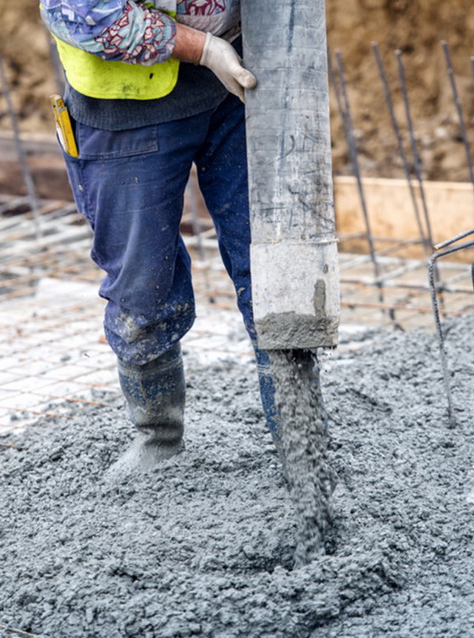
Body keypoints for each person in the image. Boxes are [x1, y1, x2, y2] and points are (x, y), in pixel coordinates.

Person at [40, 0, 279, 473]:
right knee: (142, 285)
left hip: (241, 82)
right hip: (125, 110)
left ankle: (299, 430)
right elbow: (85, 12)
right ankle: (159, 436)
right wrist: (203, 48)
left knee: (275, 262)